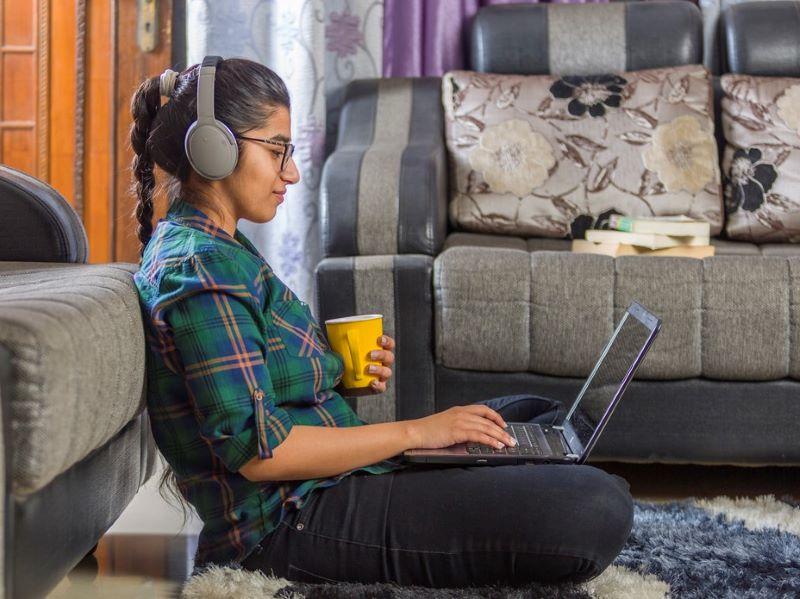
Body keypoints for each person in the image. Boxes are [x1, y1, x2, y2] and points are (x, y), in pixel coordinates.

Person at [131, 57, 634, 589]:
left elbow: (256, 383)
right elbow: (260, 454)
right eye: (276, 150)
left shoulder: (218, 249)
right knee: (597, 507)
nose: (291, 173)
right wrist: (417, 433)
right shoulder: (201, 270)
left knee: (535, 417)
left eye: (289, 153)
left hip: (327, 484)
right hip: (290, 524)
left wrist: (336, 371)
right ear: (215, 148)